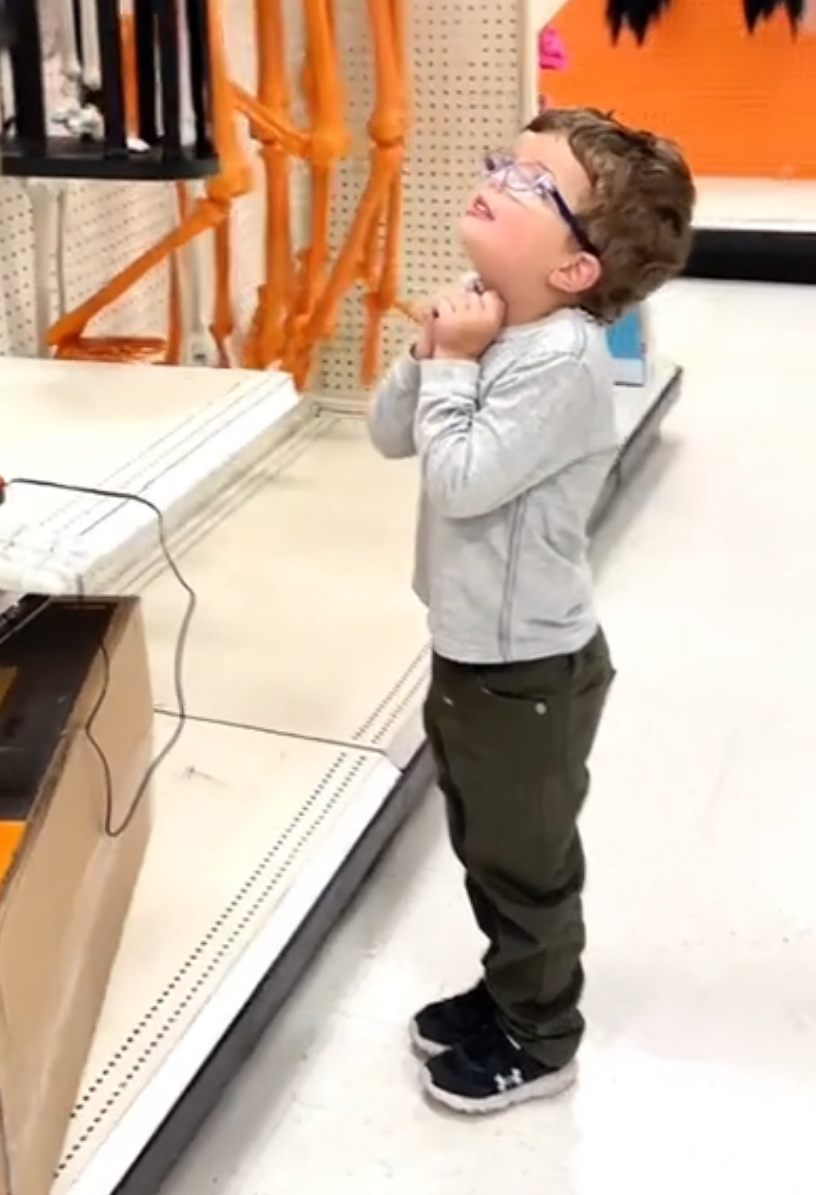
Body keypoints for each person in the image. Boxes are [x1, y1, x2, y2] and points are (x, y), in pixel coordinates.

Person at [367, 106, 695, 1114]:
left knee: (527, 863)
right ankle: (509, 990)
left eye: (531, 183)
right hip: (473, 648)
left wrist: (459, 365)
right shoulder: (491, 318)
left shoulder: (560, 359)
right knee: (486, 841)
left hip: (529, 668)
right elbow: (391, 437)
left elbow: (460, 479)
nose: (498, 177)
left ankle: (540, 1031)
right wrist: (435, 347)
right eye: (504, 160)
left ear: (575, 270)